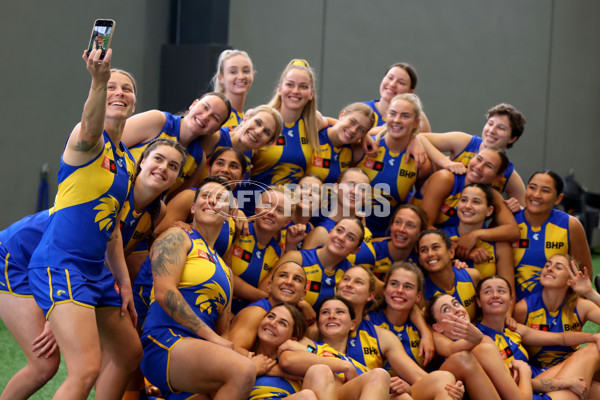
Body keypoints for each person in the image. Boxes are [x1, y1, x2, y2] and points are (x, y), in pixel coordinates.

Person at [27, 49, 142, 399]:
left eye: (127, 88)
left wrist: (122, 281)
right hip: (61, 265)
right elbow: (91, 126)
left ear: (135, 103)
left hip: (97, 272)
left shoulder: (127, 162)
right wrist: (98, 81)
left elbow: (112, 229)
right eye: (113, 88)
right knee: (85, 369)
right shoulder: (88, 141)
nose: (119, 92)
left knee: (128, 353)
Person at [140, 176, 256, 399]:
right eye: (205, 196)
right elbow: (165, 293)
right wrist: (214, 339)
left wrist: (222, 343)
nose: (211, 201)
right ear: (193, 208)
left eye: (220, 198)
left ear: (230, 213)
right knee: (243, 370)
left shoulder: (226, 270)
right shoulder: (177, 237)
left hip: (199, 353)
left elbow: (225, 329)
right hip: (165, 340)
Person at [427, 293, 599, 400]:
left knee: (593, 388)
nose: (455, 309)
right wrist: (524, 371)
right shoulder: (476, 348)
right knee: (593, 350)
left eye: (456, 303)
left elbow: (559, 338)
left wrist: (563, 383)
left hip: (534, 387)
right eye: (446, 310)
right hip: (534, 396)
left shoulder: (485, 340)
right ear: (438, 328)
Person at [337, 266, 464, 400]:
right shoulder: (321, 326)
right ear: (384, 290)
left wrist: (451, 388)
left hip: (381, 391)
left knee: (442, 380)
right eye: (394, 284)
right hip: (339, 391)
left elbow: (419, 376)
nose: (400, 291)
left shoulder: (382, 335)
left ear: (371, 295)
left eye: (408, 287)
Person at [476, 275, 600, 398]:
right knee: (592, 351)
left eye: (501, 291)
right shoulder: (480, 340)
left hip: (539, 380)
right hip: (532, 393)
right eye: (488, 292)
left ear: (510, 300)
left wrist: (593, 337)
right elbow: (512, 386)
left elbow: (560, 338)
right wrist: (564, 383)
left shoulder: (513, 329)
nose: (495, 295)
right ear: (478, 301)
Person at [278, 296, 392, 400]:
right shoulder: (310, 346)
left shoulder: (363, 368)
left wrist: (404, 388)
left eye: (340, 312)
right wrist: (344, 366)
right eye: (325, 312)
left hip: (351, 393)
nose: (332, 316)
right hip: (320, 392)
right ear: (318, 324)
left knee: (380, 374)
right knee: (320, 370)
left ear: (352, 324)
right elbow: (288, 360)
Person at [122, 91, 231, 199]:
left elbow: (173, 202)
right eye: (205, 107)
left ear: (216, 129)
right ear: (193, 104)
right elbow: (109, 145)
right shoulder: (157, 120)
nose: (206, 116)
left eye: (215, 118)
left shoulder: (198, 159)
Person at [355, 93, 433, 238]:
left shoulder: (420, 162)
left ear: (416, 123)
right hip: (350, 229)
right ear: (386, 116)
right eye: (393, 114)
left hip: (387, 237)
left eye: (405, 116)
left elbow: (418, 202)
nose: (397, 120)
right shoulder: (363, 146)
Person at [419, 103, 526, 205]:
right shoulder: (464, 142)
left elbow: (524, 211)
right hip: (431, 207)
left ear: (512, 138)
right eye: (490, 123)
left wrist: (515, 207)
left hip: (465, 219)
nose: (492, 130)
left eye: (501, 128)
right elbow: (420, 137)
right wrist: (446, 162)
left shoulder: (509, 175)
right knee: (424, 164)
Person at [513, 170, 592, 301]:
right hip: (513, 312)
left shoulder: (571, 225)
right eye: (532, 188)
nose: (536, 195)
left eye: (545, 190)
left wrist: (573, 316)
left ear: (558, 199)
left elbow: (584, 273)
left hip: (556, 312)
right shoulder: (508, 221)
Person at [514, 254, 600, 368]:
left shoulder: (580, 306)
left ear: (570, 280)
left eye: (558, 267)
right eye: (547, 265)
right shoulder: (523, 308)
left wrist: (590, 293)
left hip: (573, 367)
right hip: (536, 372)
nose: (549, 268)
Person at [262, 217, 364, 312]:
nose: (341, 238)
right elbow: (264, 291)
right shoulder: (297, 258)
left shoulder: (351, 274)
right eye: (339, 230)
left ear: (356, 250)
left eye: (350, 237)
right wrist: (299, 303)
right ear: (331, 232)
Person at [251, 59, 325, 187]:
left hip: (289, 205)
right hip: (252, 203)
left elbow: (342, 126)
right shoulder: (260, 119)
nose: (296, 91)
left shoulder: (313, 122)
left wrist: (368, 136)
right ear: (280, 89)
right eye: (290, 84)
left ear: (311, 94)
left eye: (303, 86)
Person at [225, 186, 298, 313]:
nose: (271, 212)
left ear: (286, 222)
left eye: (279, 211)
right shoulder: (237, 229)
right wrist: (268, 298)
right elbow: (224, 275)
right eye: (266, 206)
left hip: (247, 314)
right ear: (256, 208)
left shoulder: (277, 253)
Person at [442, 183, 515, 296]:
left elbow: (509, 293)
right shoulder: (441, 236)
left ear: (489, 211)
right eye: (464, 200)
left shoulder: (500, 245)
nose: (467, 206)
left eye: (476, 202)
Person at [302, 168, 376, 270]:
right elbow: (303, 273)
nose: (355, 192)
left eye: (362, 189)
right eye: (350, 185)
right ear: (336, 188)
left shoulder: (363, 227)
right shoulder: (321, 232)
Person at [228, 261, 308, 351]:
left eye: (297, 279)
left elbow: (311, 350)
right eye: (283, 275)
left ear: (303, 295)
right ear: (269, 286)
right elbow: (231, 349)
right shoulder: (256, 313)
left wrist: (308, 350)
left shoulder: (297, 319)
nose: (289, 282)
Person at [246, 303, 320, 399]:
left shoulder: (293, 365)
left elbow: (316, 354)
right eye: (270, 317)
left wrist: (304, 348)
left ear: (293, 339)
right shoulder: (244, 355)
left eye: (282, 323)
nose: (272, 323)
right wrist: (250, 370)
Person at [418, 230, 481, 321]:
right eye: (424, 250)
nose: (430, 254)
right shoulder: (421, 294)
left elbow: (484, 314)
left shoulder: (473, 276)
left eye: (435, 247)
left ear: (451, 252)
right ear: (420, 260)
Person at [306, 102, 375, 184]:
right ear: (342, 115)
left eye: (361, 129)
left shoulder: (352, 148)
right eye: (352, 122)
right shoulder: (315, 133)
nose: (353, 130)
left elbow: (384, 131)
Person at [196, 104, 282, 163]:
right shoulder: (214, 138)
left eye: (266, 132)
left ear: (268, 142)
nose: (258, 131)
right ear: (246, 119)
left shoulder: (249, 156)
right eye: (258, 122)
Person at [363, 62, 432, 133]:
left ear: (410, 92)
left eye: (401, 82)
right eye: (390, 78)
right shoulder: (361, 110)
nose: (392, 84)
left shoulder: (417, 118)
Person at [371, 204, 426, 285]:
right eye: (398, 222)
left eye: (410, 225)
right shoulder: (372, 251)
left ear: (420, 233)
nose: (401, 229)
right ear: (391, 225)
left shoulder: (421, 260)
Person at [211, 49, 255, 127]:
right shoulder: (214, 114)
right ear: (221, 78)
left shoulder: (247, 117)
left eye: (246, 71)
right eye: (233, 72)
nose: (241, 77)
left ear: (253, 76)